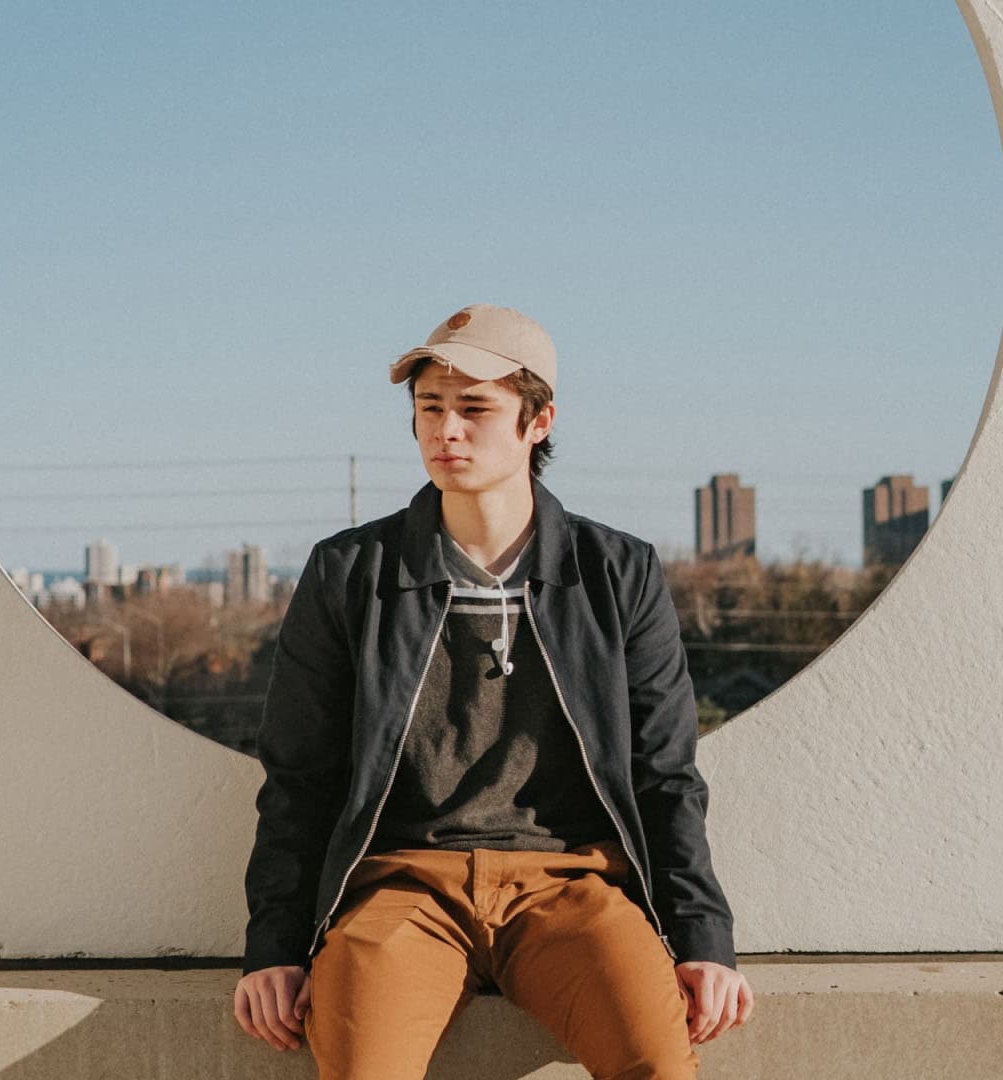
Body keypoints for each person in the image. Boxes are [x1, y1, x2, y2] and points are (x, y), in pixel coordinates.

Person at [233, 304, 751, 1078]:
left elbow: (665, 774)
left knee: (660, 1065)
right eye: (429, 409)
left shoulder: (616, 573)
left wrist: (704, 940)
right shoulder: (350, 572)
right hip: (402, 887)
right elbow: (299, 776)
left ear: (538, 421)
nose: (446, 432)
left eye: (474, 409)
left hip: (575, 885)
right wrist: (273, 946)